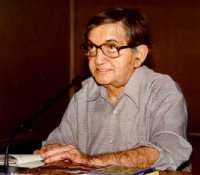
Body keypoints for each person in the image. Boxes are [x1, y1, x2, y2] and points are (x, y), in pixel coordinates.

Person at [35, 7, 192, 171]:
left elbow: (168, 151)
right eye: (92, 48)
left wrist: (90, 160)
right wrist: (51, 152)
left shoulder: (162, 91)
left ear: (139, 55)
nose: (98, 59)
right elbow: (57, 143)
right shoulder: (84, 95)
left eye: (111, 47)